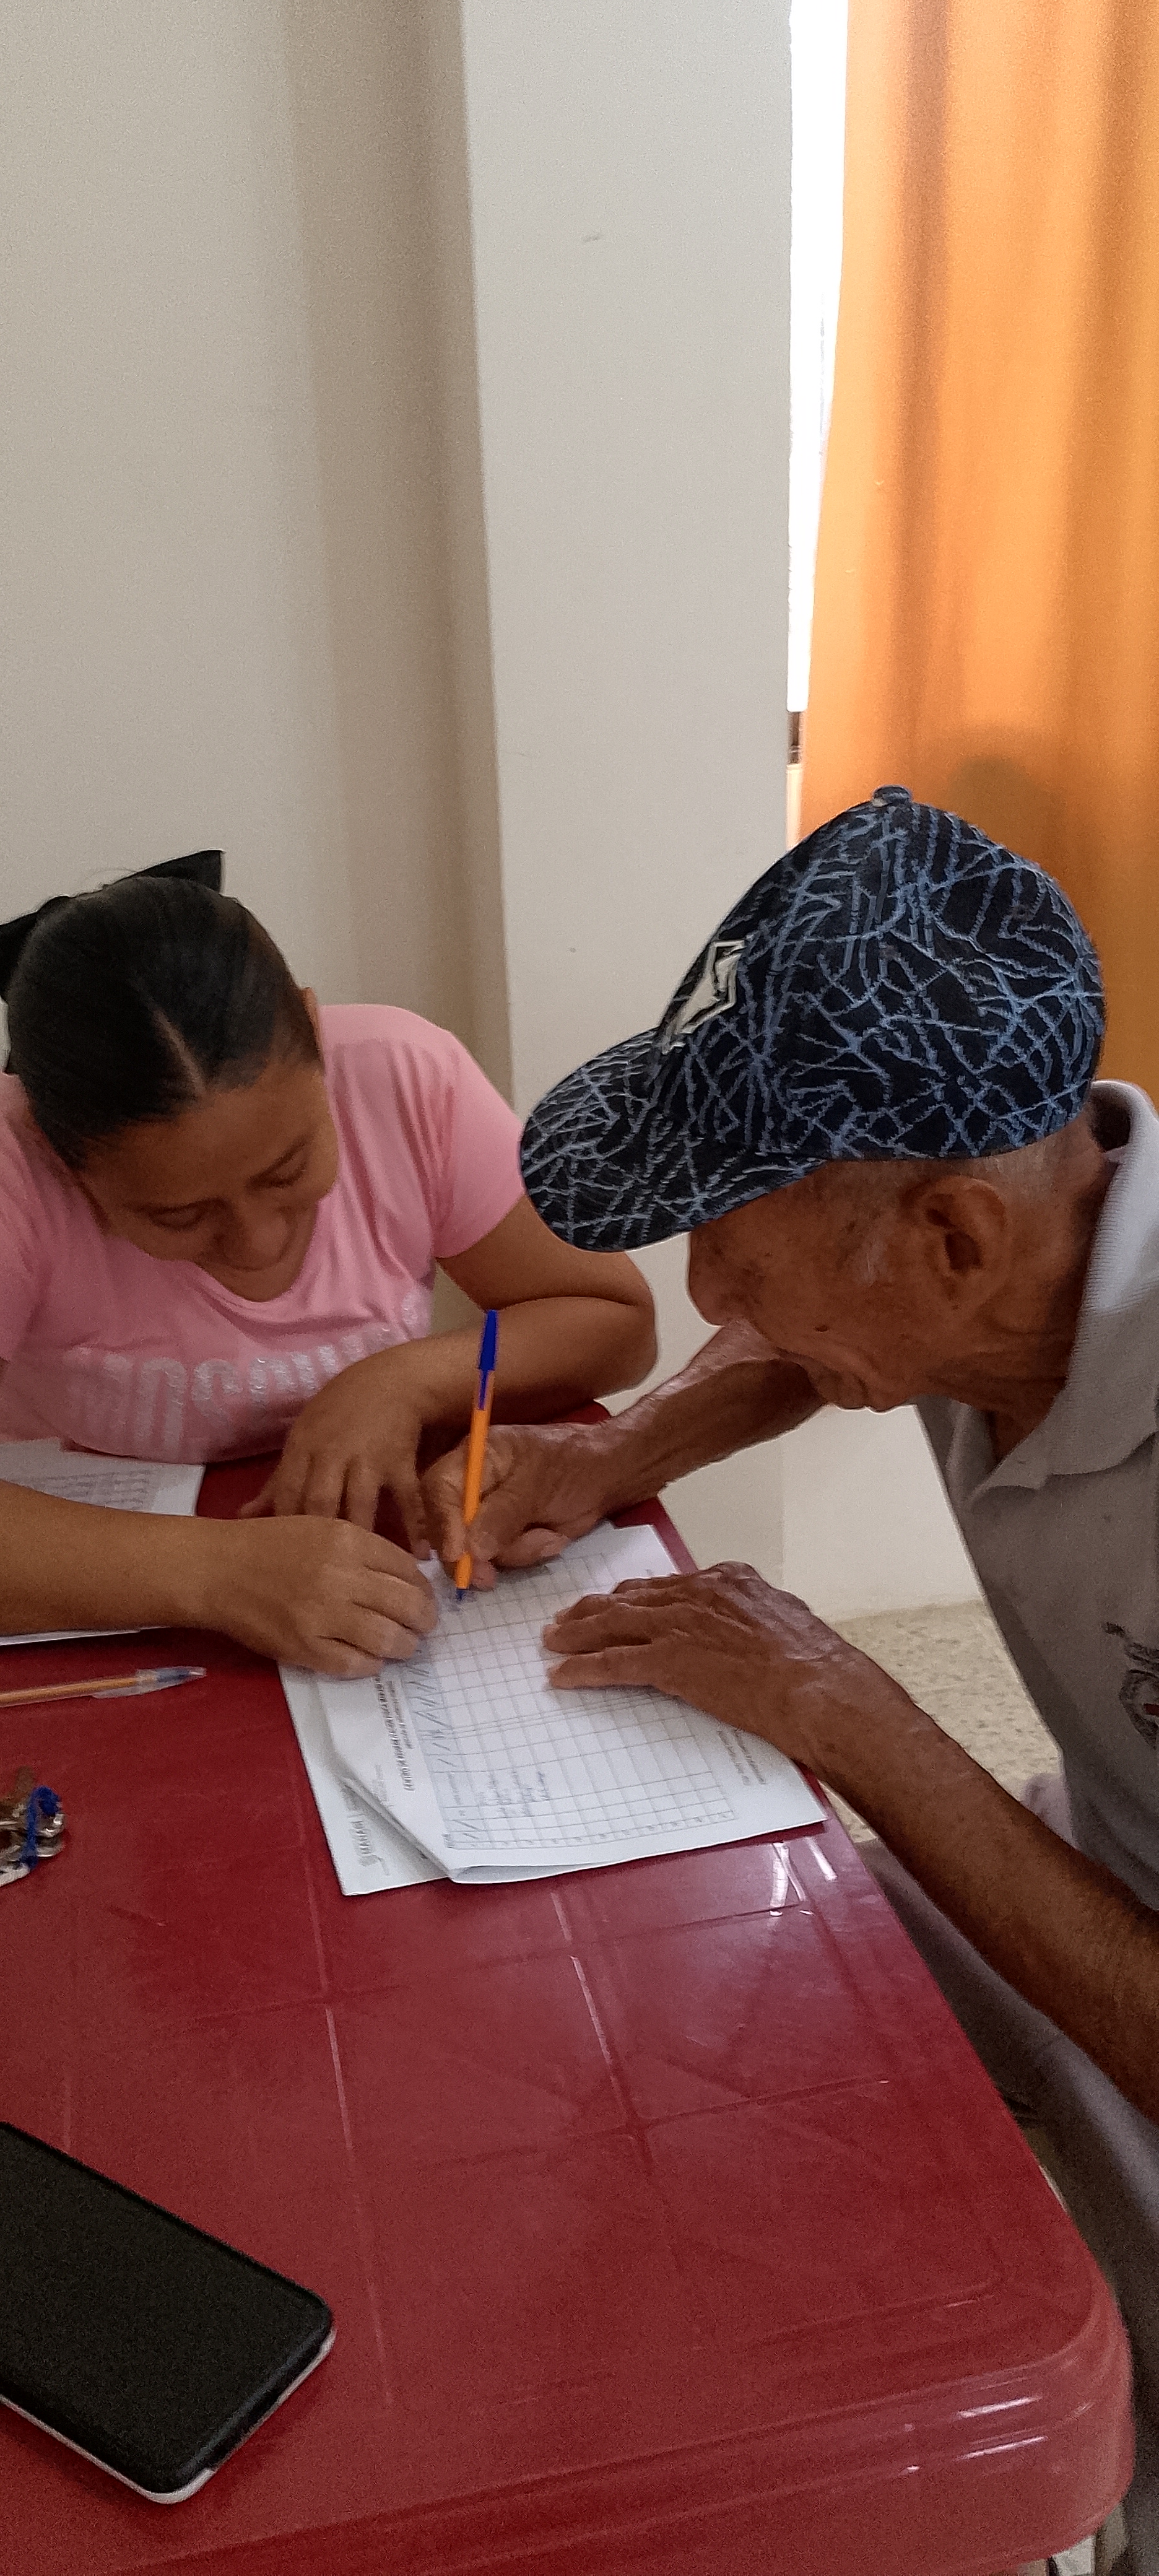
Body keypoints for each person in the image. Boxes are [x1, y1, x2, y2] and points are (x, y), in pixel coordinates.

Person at [422, 785, 1158, 2575]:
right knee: (682, 1995)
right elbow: (808, 1341)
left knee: (1068, 2455)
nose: (704, 1292)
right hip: (1099, 1866)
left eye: (734, 1246)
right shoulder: (1039, 1224)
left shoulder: (972, 1257)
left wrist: (854, 1714)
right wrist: (619, 1452)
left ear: (955, 1239)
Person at [0, 859, 654, 1674]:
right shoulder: (13, 1168)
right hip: (87, 1582)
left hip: (373, 1547)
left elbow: (614, 1320)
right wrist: (215, 1573)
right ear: (57, 1150)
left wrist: (403, 1382)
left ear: (315, 1034)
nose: (258, 1242)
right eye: (179, 1216)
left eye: (287, 1172)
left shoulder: (402, 1076)